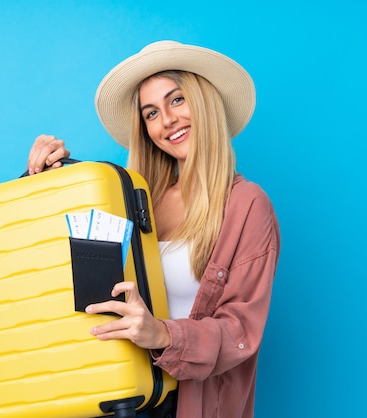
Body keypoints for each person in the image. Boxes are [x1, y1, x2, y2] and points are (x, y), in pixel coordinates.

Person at [26, 40, 280, 418]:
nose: (167, 120)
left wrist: (162, 335)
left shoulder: (247, 205)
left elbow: (241, 331)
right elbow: (66, 277)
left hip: (188, 403)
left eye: (177, 100)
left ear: (205, 101)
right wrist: (47, 181)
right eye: (151, 113)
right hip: (118, 397)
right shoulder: (134, 202)